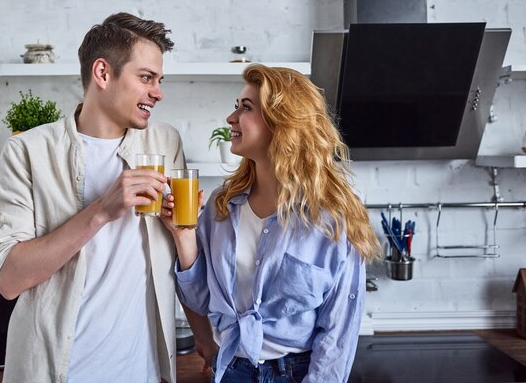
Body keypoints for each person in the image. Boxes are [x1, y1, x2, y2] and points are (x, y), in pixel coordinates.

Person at [0, 12, 215, 383]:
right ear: (103, 74)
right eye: (146, 78)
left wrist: (204, 337)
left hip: (146, 371)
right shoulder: (28, 151)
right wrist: (100, 212)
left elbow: (177, 254)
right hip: (56, 372)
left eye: (159, 80)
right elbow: (8, 280)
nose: (158, 92)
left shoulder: (165, 143)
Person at [162, 64, 381, 383]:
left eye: (246, 108)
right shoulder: (221, 206)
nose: (231, 118)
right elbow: (201, 301)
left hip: (296, 373)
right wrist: (184, 237)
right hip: (231, 370)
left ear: (282, 123)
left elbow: (338, 332)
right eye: (236, 106)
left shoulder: (333, 219)